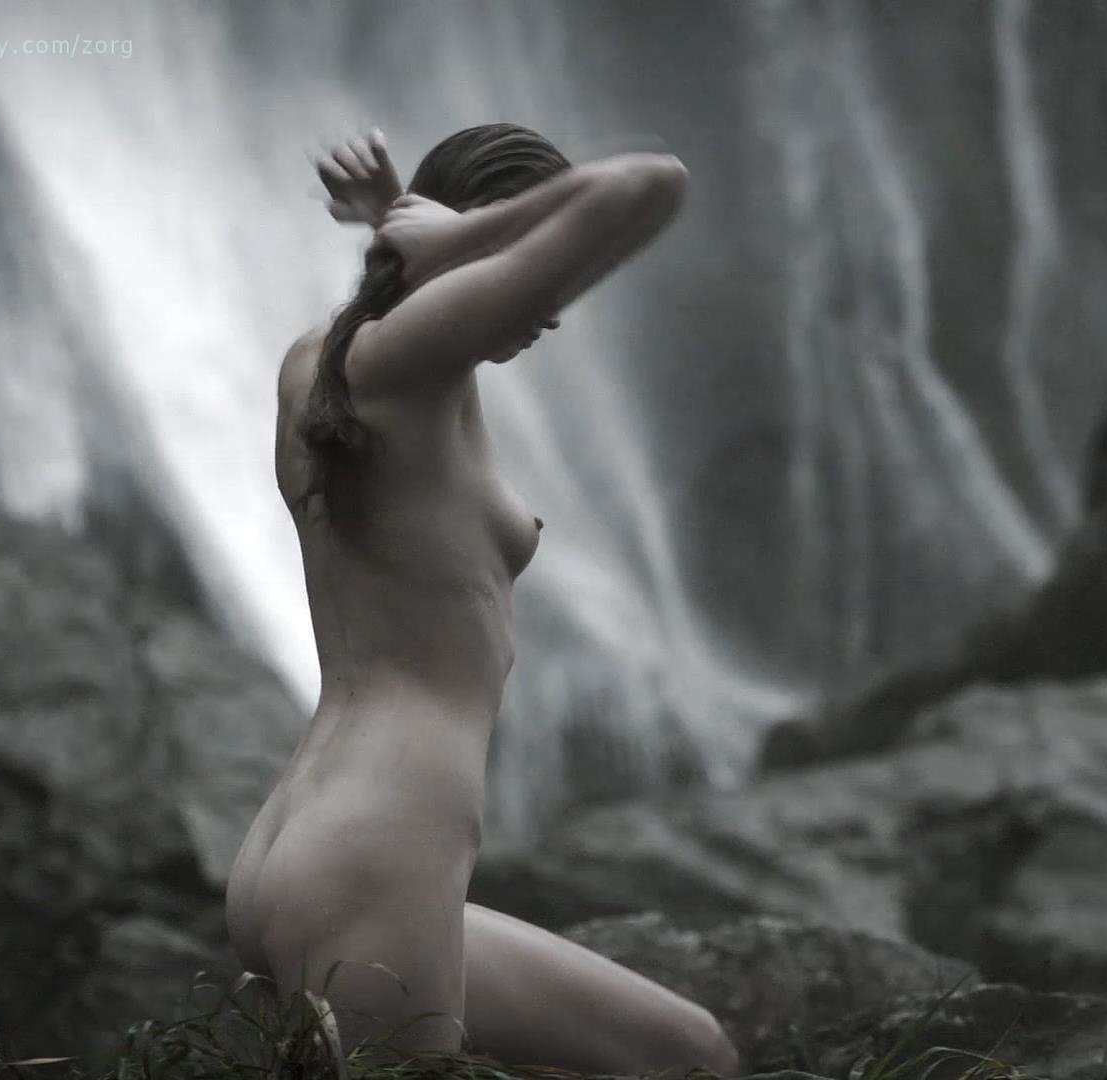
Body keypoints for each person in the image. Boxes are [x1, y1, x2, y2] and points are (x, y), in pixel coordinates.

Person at [221, 123, 739, 1074]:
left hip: (303, 842)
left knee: (689, 1054)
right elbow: (650, 183)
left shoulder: (334, 364)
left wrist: (407, 227)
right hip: (378, 848)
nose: (554, 307)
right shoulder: (398, 372)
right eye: (543, 269)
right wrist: (458, 238)